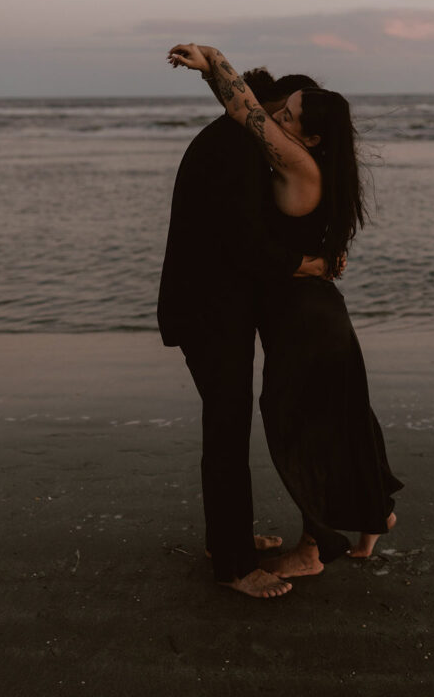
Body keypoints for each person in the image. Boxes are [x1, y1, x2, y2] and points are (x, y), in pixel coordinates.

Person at [167, 42, 403, 580]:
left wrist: (213, 59)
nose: (276, 120)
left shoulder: (296, 160)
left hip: (302, 320)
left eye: (289, 116)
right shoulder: (326, 165)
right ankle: (372, 517)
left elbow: (241, 107)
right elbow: (247, 108)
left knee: (302, 432)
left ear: (310, 136)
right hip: (315, 313)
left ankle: (313, 550)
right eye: (282, 108)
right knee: (340, 417)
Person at [157, 66, 328, 599]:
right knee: (227, 428)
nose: (280, 127)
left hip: (208, 304)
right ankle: (232, 565)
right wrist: (309, 263)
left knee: (227, 423)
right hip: (207, 309)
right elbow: (244, 244)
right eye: (279, 116)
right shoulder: (233, 148)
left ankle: (224, 539)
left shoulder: (233, 139)